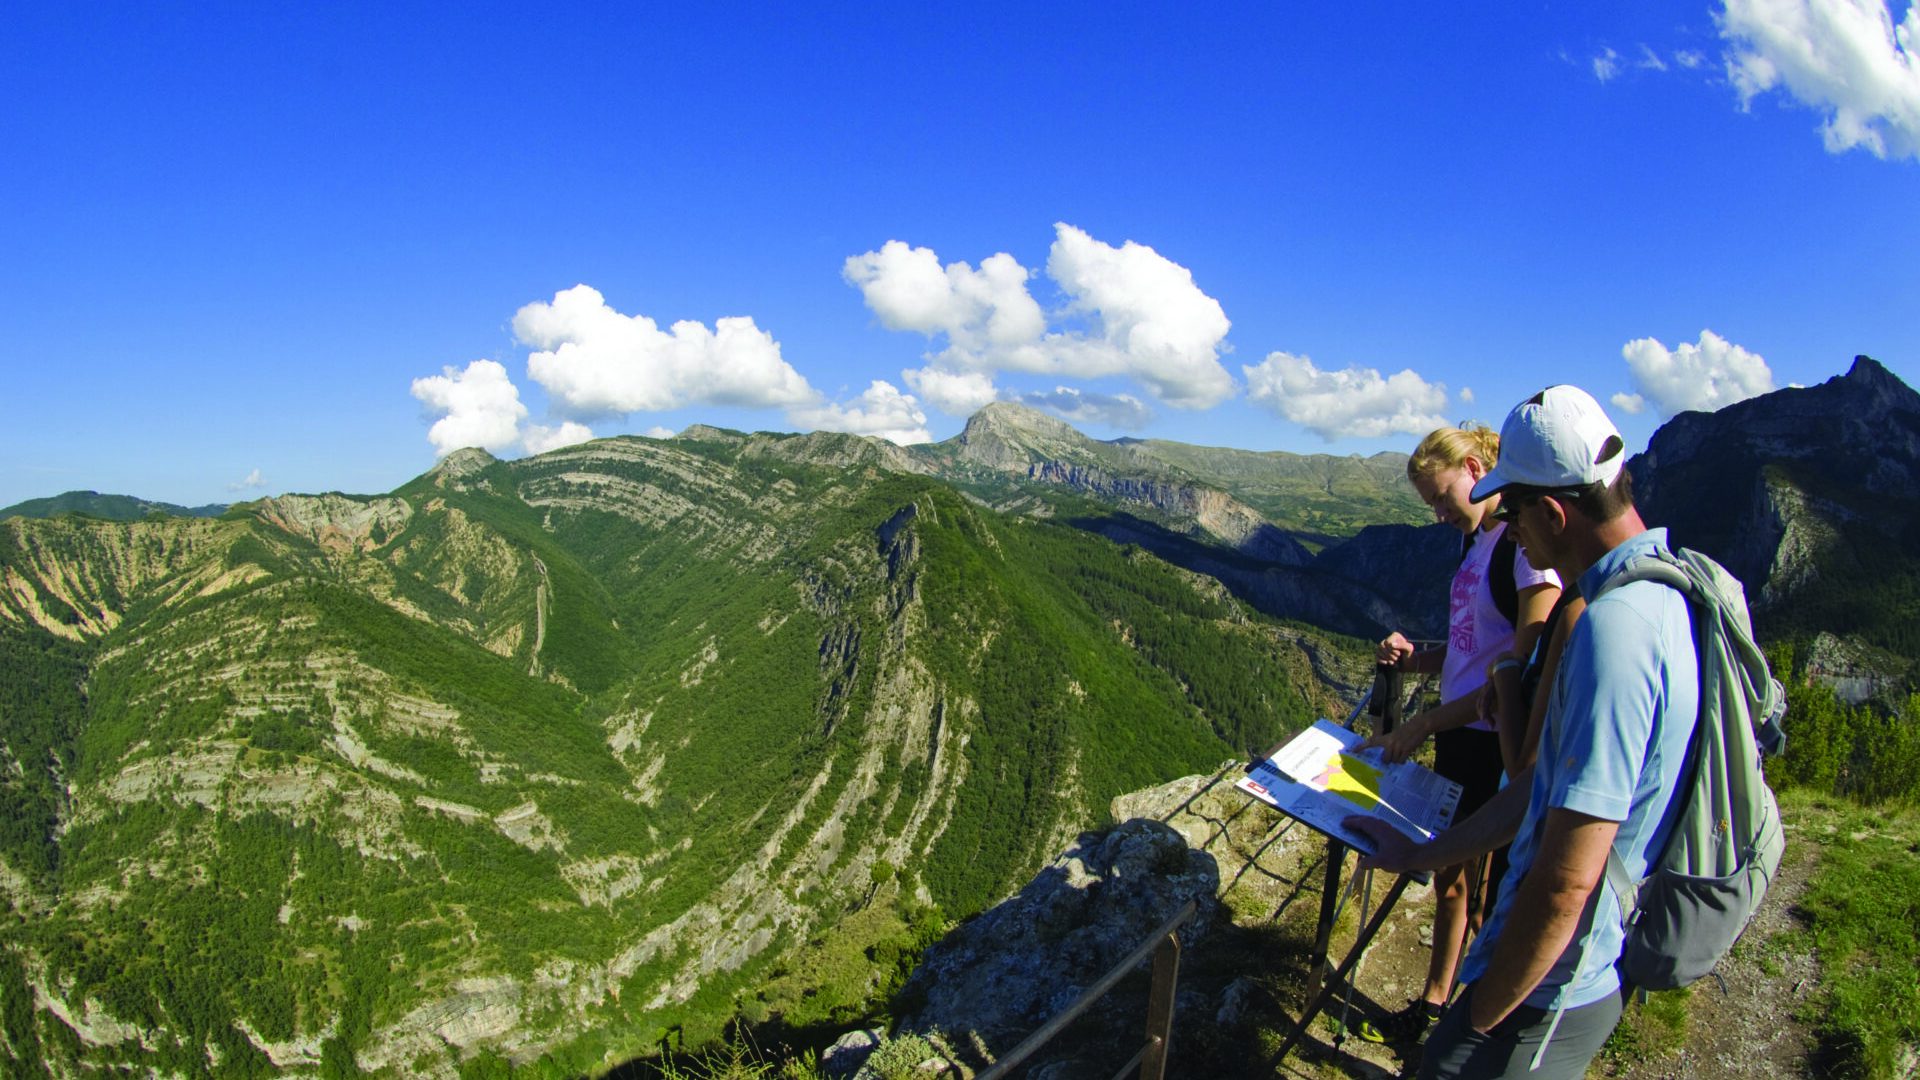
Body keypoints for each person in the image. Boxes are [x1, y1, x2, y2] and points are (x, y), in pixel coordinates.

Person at [1349, 385, 1700, 1079]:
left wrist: (1476, 1024)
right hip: (1554, 971)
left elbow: (1567, 878)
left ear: (1551, 511)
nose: (1513, 534)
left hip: (1553, 984)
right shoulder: (1664, 595)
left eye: (1515, 516)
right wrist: (1422, 858)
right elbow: (1542, 789)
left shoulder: (1614, 630)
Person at [1365, 425, 1561, 1040]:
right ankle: (1434, 1004)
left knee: (1481, 886)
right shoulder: (1478, 544)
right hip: (1461, 735)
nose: (1439, 512)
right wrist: (1417, 660)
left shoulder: (1523, 548)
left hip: (1492, 746)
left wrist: (1421, 723)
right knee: (1453, 881)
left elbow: (1518, 677)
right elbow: (1473, 651)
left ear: (1475, 468)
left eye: (1443, 495)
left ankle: (1468, 1020)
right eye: (1430, 503)